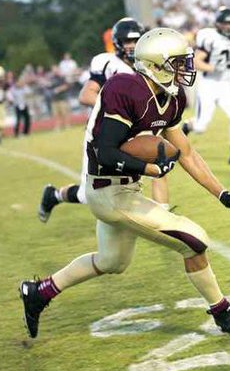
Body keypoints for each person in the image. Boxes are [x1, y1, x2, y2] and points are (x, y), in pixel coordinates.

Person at [20, 28, 230, 339]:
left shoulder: (172, 98)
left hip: (125, 188)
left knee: (112, 261)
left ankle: (39, 292)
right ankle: (222, 312)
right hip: (106, 190)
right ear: (155, 64)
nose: (184, 69)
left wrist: (222, 193)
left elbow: (186, 152)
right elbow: (105, 151)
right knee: (194, 240)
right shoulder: (124, 88)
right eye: (177, 62)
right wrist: (149, 167)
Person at [38, 18, 171, 224]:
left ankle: (164, 217)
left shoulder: (148, 65)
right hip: (107, 132)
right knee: (86, 195)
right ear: (117, 43)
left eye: (137, 41)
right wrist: (119, 109)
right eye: (128, 42)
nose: (133, 46)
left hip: (135, 131)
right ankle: (54, 195)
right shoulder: (109, 63)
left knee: (158, 160)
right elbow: (85, 95)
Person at [181, 8, 230, 164]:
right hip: (209, 84)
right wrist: (212, 68)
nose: (228, 27)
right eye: (224, 24)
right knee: (200, 127)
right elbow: (196, 61)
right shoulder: (210, 37)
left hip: (226, 84)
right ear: (218, 25)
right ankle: (185, 128)